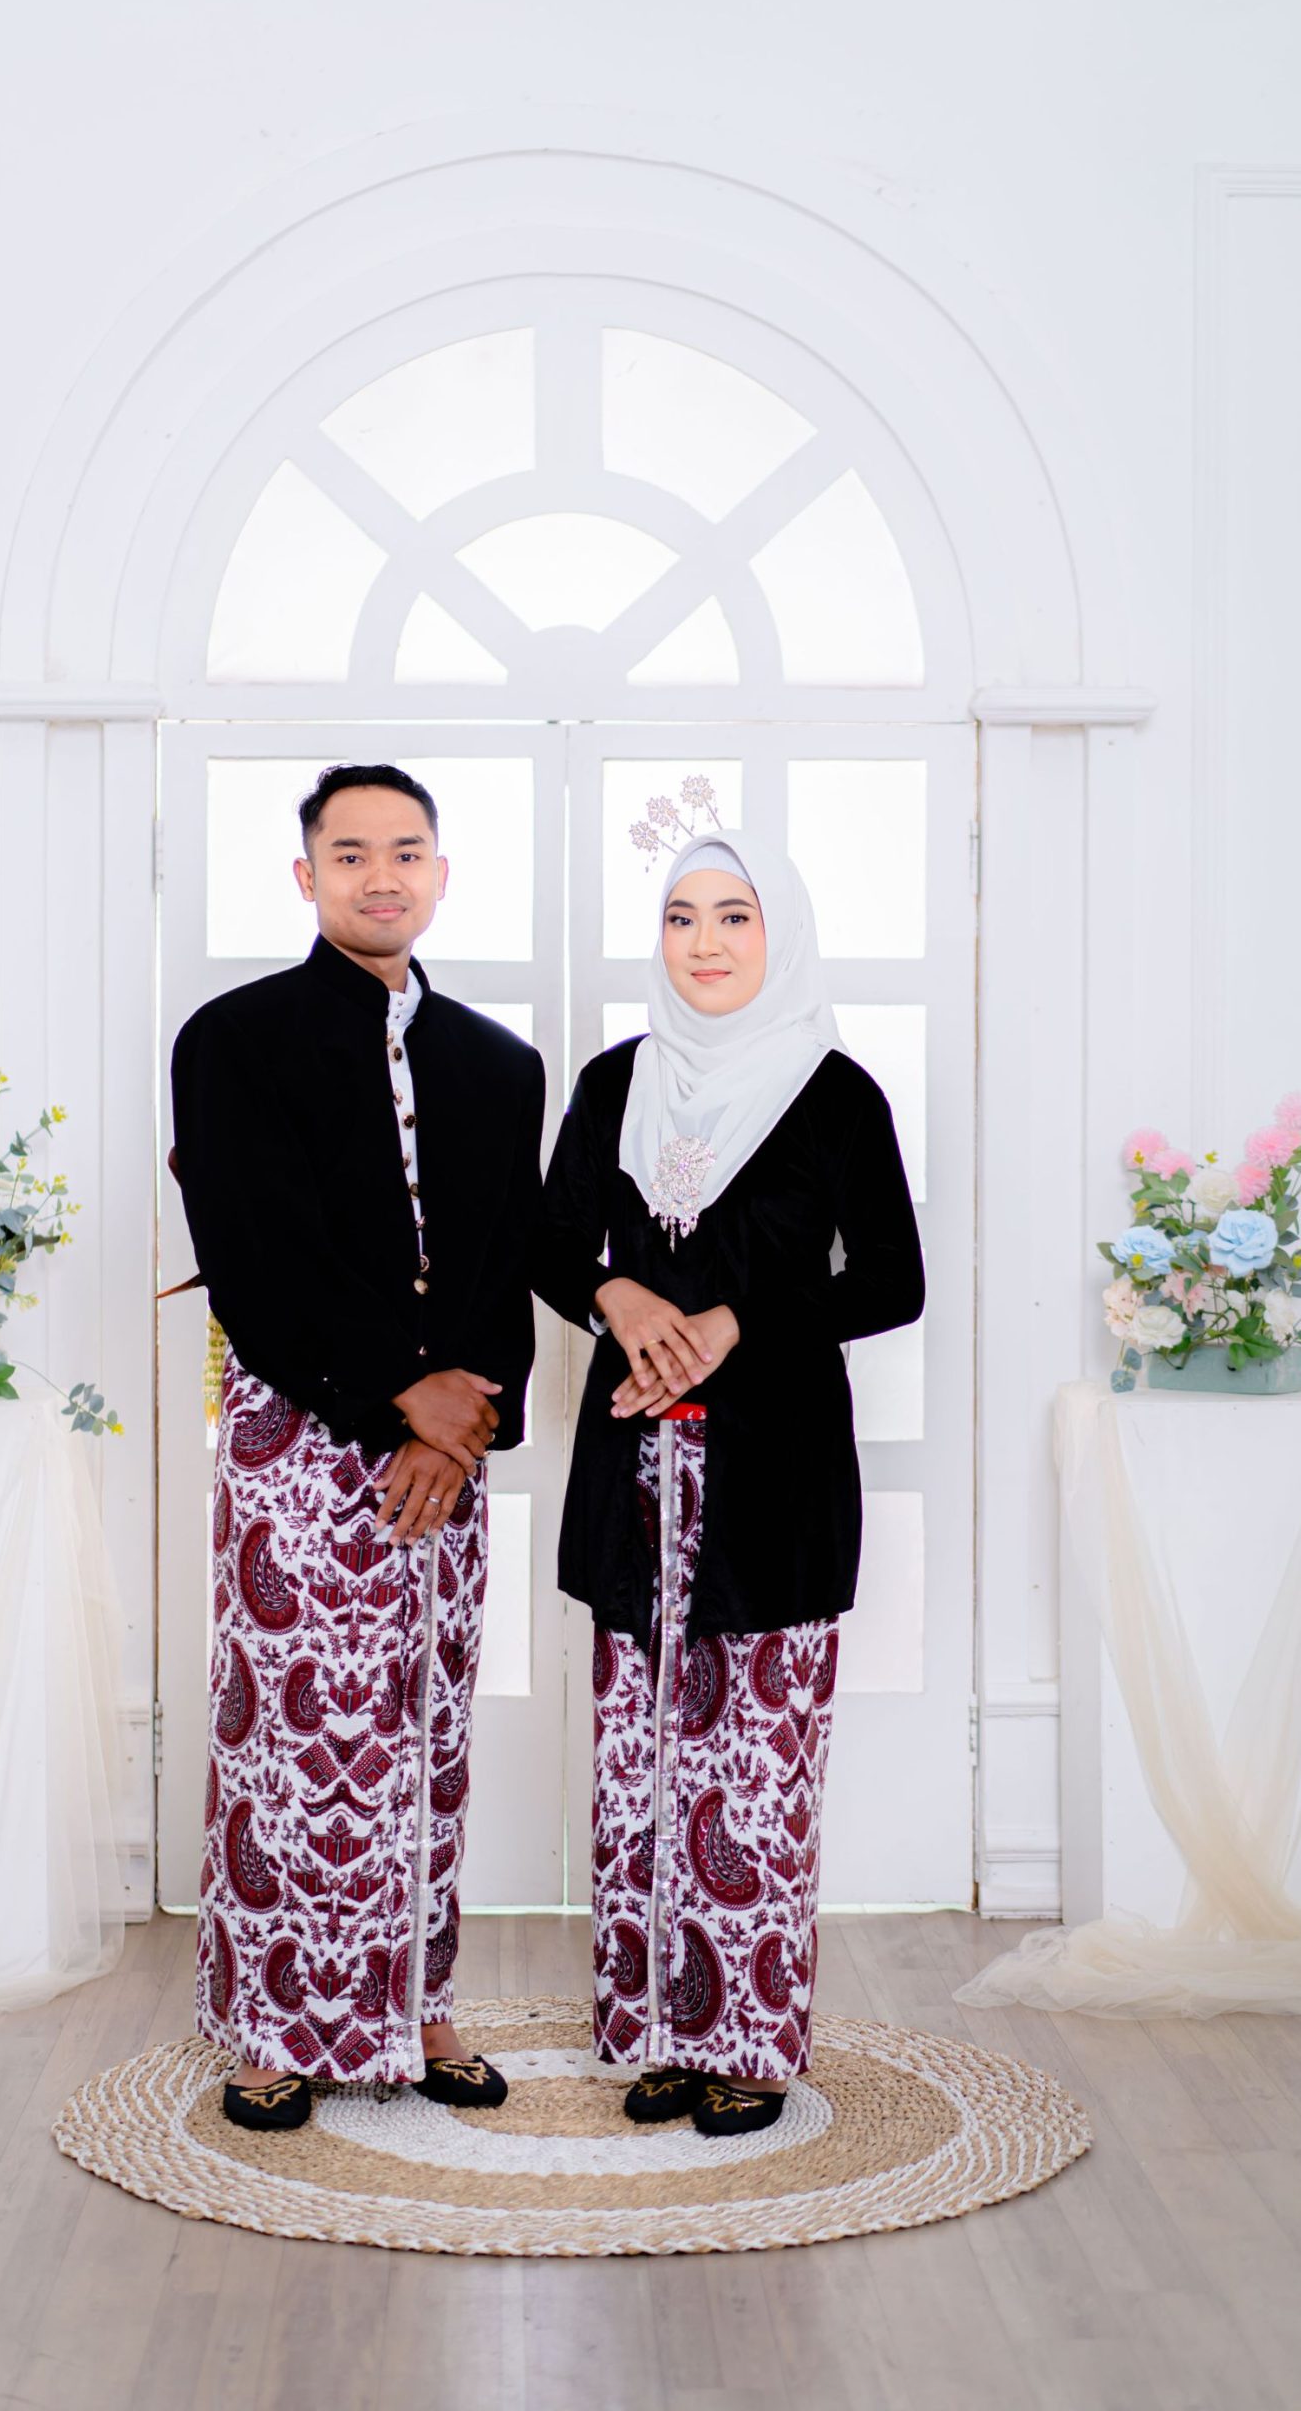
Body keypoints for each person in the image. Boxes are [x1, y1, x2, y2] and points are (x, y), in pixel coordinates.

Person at [170, 762, 545, 2130]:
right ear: (306, 875)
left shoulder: (499, 1064)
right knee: (289, 1733)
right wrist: (400, 1395)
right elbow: (254, 1253)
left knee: (423, 1729)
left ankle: (417, 2006)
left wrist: (468, 1412)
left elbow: (505, 1264)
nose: (379, 874)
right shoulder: (235, 1039)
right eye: (349, 853)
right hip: (299, 1430)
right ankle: (271, 2027)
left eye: (405, 850)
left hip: (451, 1448)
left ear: (439, 872)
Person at [534, 823, 924, 2138]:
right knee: (642, 1766)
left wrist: (739, 1321)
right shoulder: (616, 1083)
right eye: (681, 917)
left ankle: (746, 2044)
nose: (704, 943)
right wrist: (618, 1293)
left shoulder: (835, 1094)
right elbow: (549, 1243)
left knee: (752, 1767)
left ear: (781, 932)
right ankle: (660, 2030)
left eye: (734, 916)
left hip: (773, 1471)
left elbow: (892, 1281)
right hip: (633, 1470)